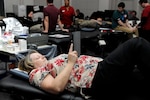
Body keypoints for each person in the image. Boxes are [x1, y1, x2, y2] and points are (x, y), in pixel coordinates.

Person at [18, 37, 150, 99]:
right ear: (31, 65)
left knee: (139, 78)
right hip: (95, 78)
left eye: (42, 55)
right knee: (136, 44)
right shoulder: (36, 73)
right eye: (38, 58)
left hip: (99, 69)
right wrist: (70, 62)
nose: (43, 57)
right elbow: (56, 88)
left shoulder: (49, 64)